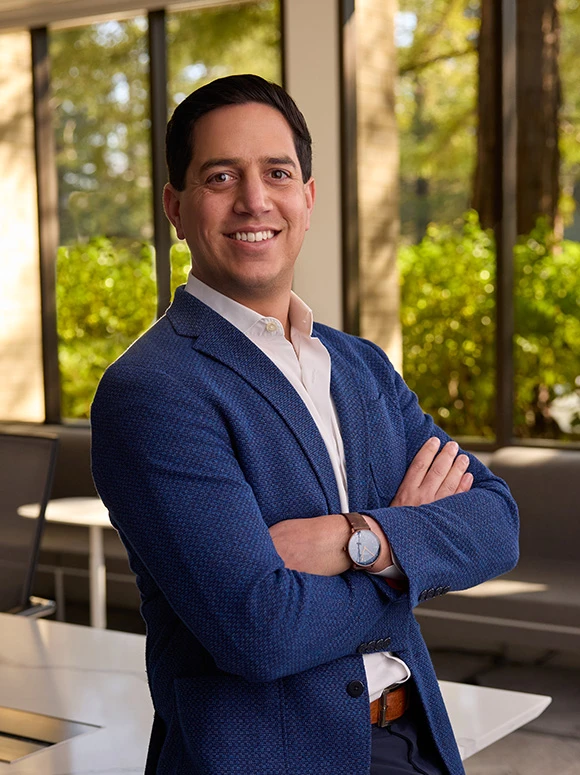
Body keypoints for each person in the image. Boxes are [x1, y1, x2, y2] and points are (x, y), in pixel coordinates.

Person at [91, 74, 519, 775]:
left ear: (308, 198)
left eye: (277, 173)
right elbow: (260, 632)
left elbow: (497, 523)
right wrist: (407, 558)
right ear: (175, 207)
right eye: (221, 176)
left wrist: (356, 539)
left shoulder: (359, 366)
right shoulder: (153, 390)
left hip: (415, 742)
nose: (254, 200)